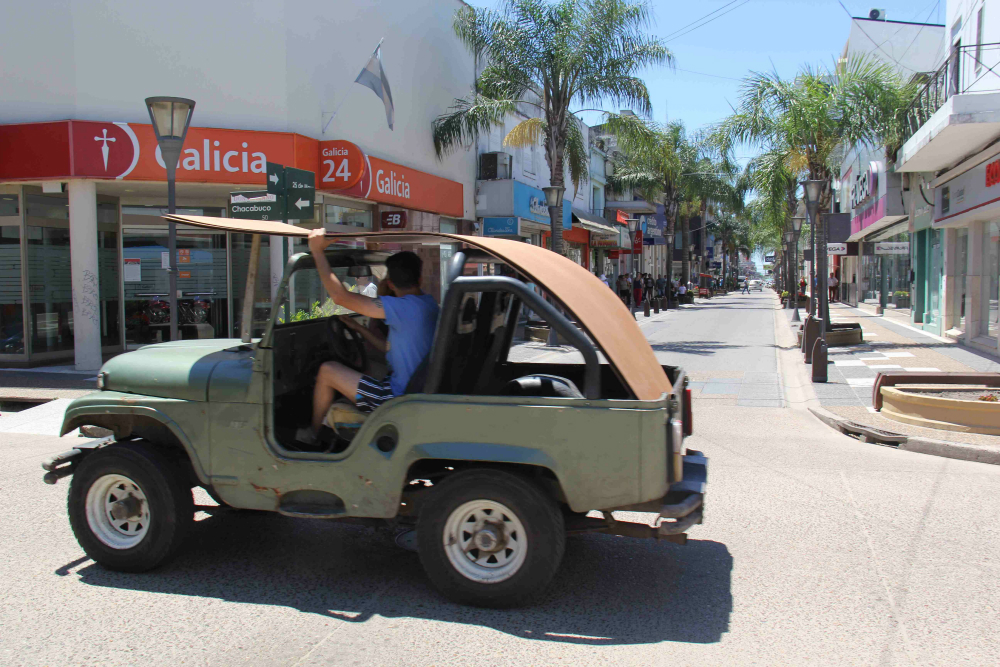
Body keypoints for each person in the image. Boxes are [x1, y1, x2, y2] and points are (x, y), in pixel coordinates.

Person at [296, 229, 440, 445]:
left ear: (390, 284)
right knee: (365, 364)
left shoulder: (402, 307)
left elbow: (340, 297)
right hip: (413, 388)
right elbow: (389, 348)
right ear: (420, 278)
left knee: (327, 371)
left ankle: (313, 435)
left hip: (395, 399)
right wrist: (359, 328)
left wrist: (317, 252)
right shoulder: (427, 304)